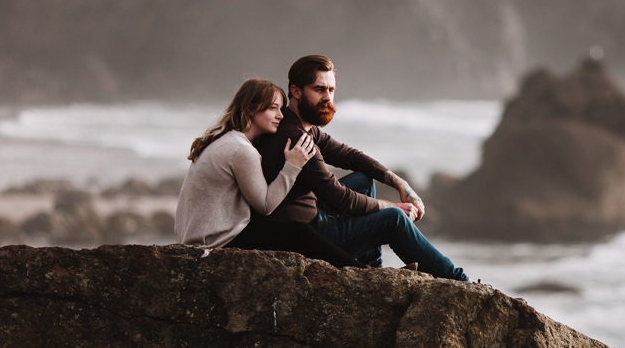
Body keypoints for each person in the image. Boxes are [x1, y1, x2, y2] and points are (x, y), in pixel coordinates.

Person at [255, 54, 469, 282]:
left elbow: (350, 156)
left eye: (331, 90)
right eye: (319, 90)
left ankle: (371, 267)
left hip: (307, 214)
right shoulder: (297, 139)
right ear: (296, 91)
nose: (327, 97)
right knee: (393, 220)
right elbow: (340, 199)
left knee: (363, 180)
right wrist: (392, 206)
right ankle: (458, 279)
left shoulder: (297, 124)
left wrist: (399, 183)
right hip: (305, 233)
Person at [175, 77, 364, 268]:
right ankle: (360, 270)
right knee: (298, 232)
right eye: (273, 108)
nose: (280, 115)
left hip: (198, 237)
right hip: (214, 242)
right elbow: (265, 205)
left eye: (281, 109)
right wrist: (293, 165)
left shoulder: (226, 139)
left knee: (318, 209)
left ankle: (360, 266)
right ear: (250, 108)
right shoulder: (241, 150)